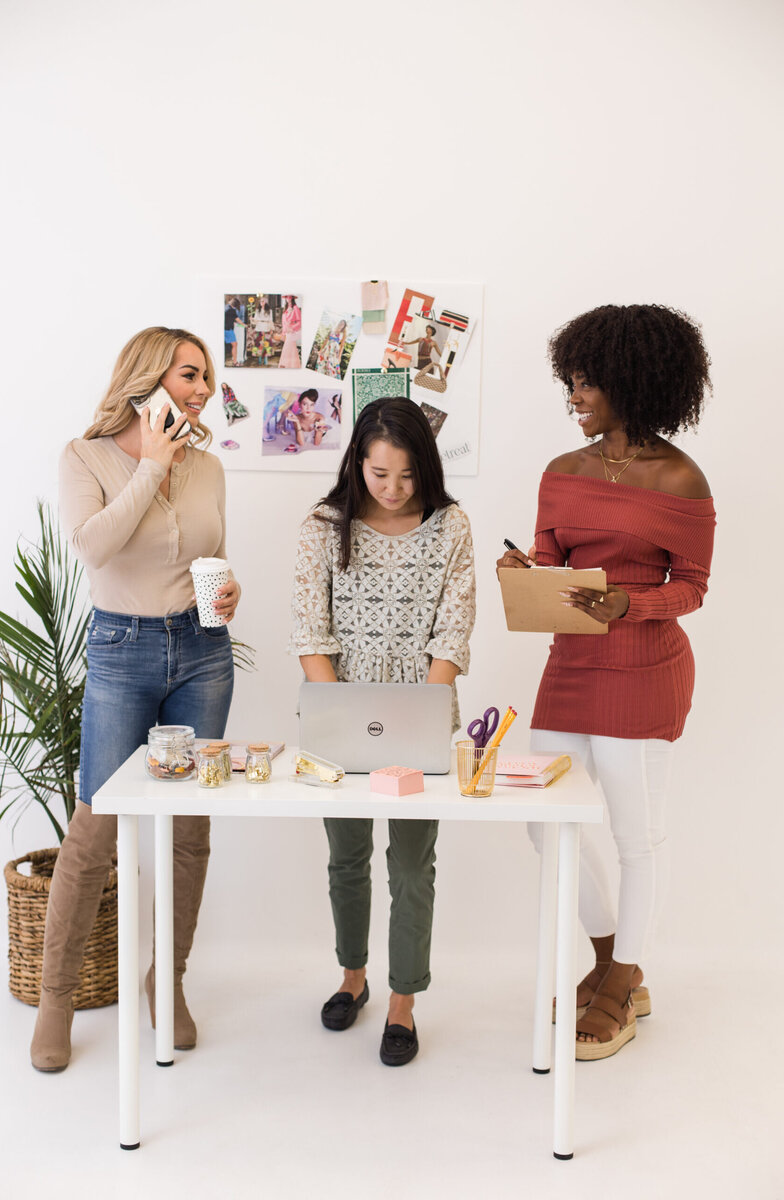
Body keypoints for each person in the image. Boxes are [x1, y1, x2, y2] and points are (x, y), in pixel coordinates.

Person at [497, 304, 715, 1061]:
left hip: (644, 671)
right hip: (571, 667)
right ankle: (609, 953)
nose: (573, 398)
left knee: (635, 836)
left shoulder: (681, 479)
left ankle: (623, 981)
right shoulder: (562, 473)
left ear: (632, 381)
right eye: (570, 383)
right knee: (540, 817)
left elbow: (691, 586)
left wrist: (632, 602)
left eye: (585, 383)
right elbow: (551, 561)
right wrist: (526, 575)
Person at [31, 326, 240, 1072]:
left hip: (203, 652)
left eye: (207, 379)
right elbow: (95, 547)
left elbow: (208, 554)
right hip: (122, 651)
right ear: (149, 376)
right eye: (190, 374)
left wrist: (225, 592)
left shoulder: (210, 466)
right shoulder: (83, 457)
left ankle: (167, 981)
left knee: (188, 829)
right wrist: (150, 467)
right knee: (95, 826)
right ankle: (56, 997)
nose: (203, 389)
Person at [289, 398, 475, 1066]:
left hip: (422, 716)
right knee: (346, 859)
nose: (393, 490)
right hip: (335, 717)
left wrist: (415, 720)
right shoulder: (322, 525)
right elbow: (312, 630)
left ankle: (403, 1000)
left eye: (406, 477)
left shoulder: (451, 526)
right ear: (357, 465)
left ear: (426, 467)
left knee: (411, 866)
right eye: (379, 475)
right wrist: (346, 723)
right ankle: (352, 976)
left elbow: (453, 632)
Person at [279, 294, 302, 369]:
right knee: (289, 348)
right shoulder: (285, 308)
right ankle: (289, 365)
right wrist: (283, 332)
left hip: (292, 332)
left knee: (289, 348)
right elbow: (283, 322)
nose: (288, 298)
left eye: (289, 296)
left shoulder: (295, 308)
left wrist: (292, 328)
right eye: (286, 297)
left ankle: (289, 365)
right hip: (287, 332)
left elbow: (299, 321)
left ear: (292, 298)